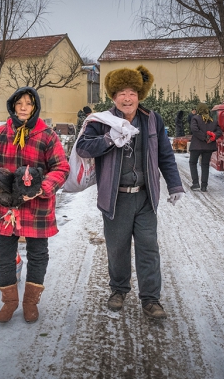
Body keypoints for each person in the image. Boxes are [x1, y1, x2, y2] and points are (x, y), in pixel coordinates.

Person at [75, 65, 184, 320]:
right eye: (121, 92)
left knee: (148, 247)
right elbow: (82, 148)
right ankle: (119, 290)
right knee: (117, 247)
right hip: (116, 198)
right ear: (113, 96)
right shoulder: (102, 121)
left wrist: (175, 185)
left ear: (139, 95)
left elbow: (165, 155)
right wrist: (109, 139)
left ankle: (150, 299)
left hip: (145, 196)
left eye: (132, 92)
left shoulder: (152, 119)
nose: (127, 97)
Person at [0, 86, 69, 323]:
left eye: (29, 103)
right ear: (12, 106)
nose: (24, 108)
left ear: (35, 106)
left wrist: (40, 188)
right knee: (1, 254)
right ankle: (9, 301)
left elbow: (61, 168)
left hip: (36, 206)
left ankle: (30, 302)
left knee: (38, 254)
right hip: (4, 207)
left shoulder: (47, 135)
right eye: (19, 103)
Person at [189, 102, 222, 192]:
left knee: (192, 163)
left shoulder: (195, 118)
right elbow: (219, 132)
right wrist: (212, 137)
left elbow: (194, 130)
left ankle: (195, 183)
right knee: (205, 165)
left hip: (196, 146)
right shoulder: (213, 121)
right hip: (208, 146)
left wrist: (204, 138)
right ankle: (204, 186)